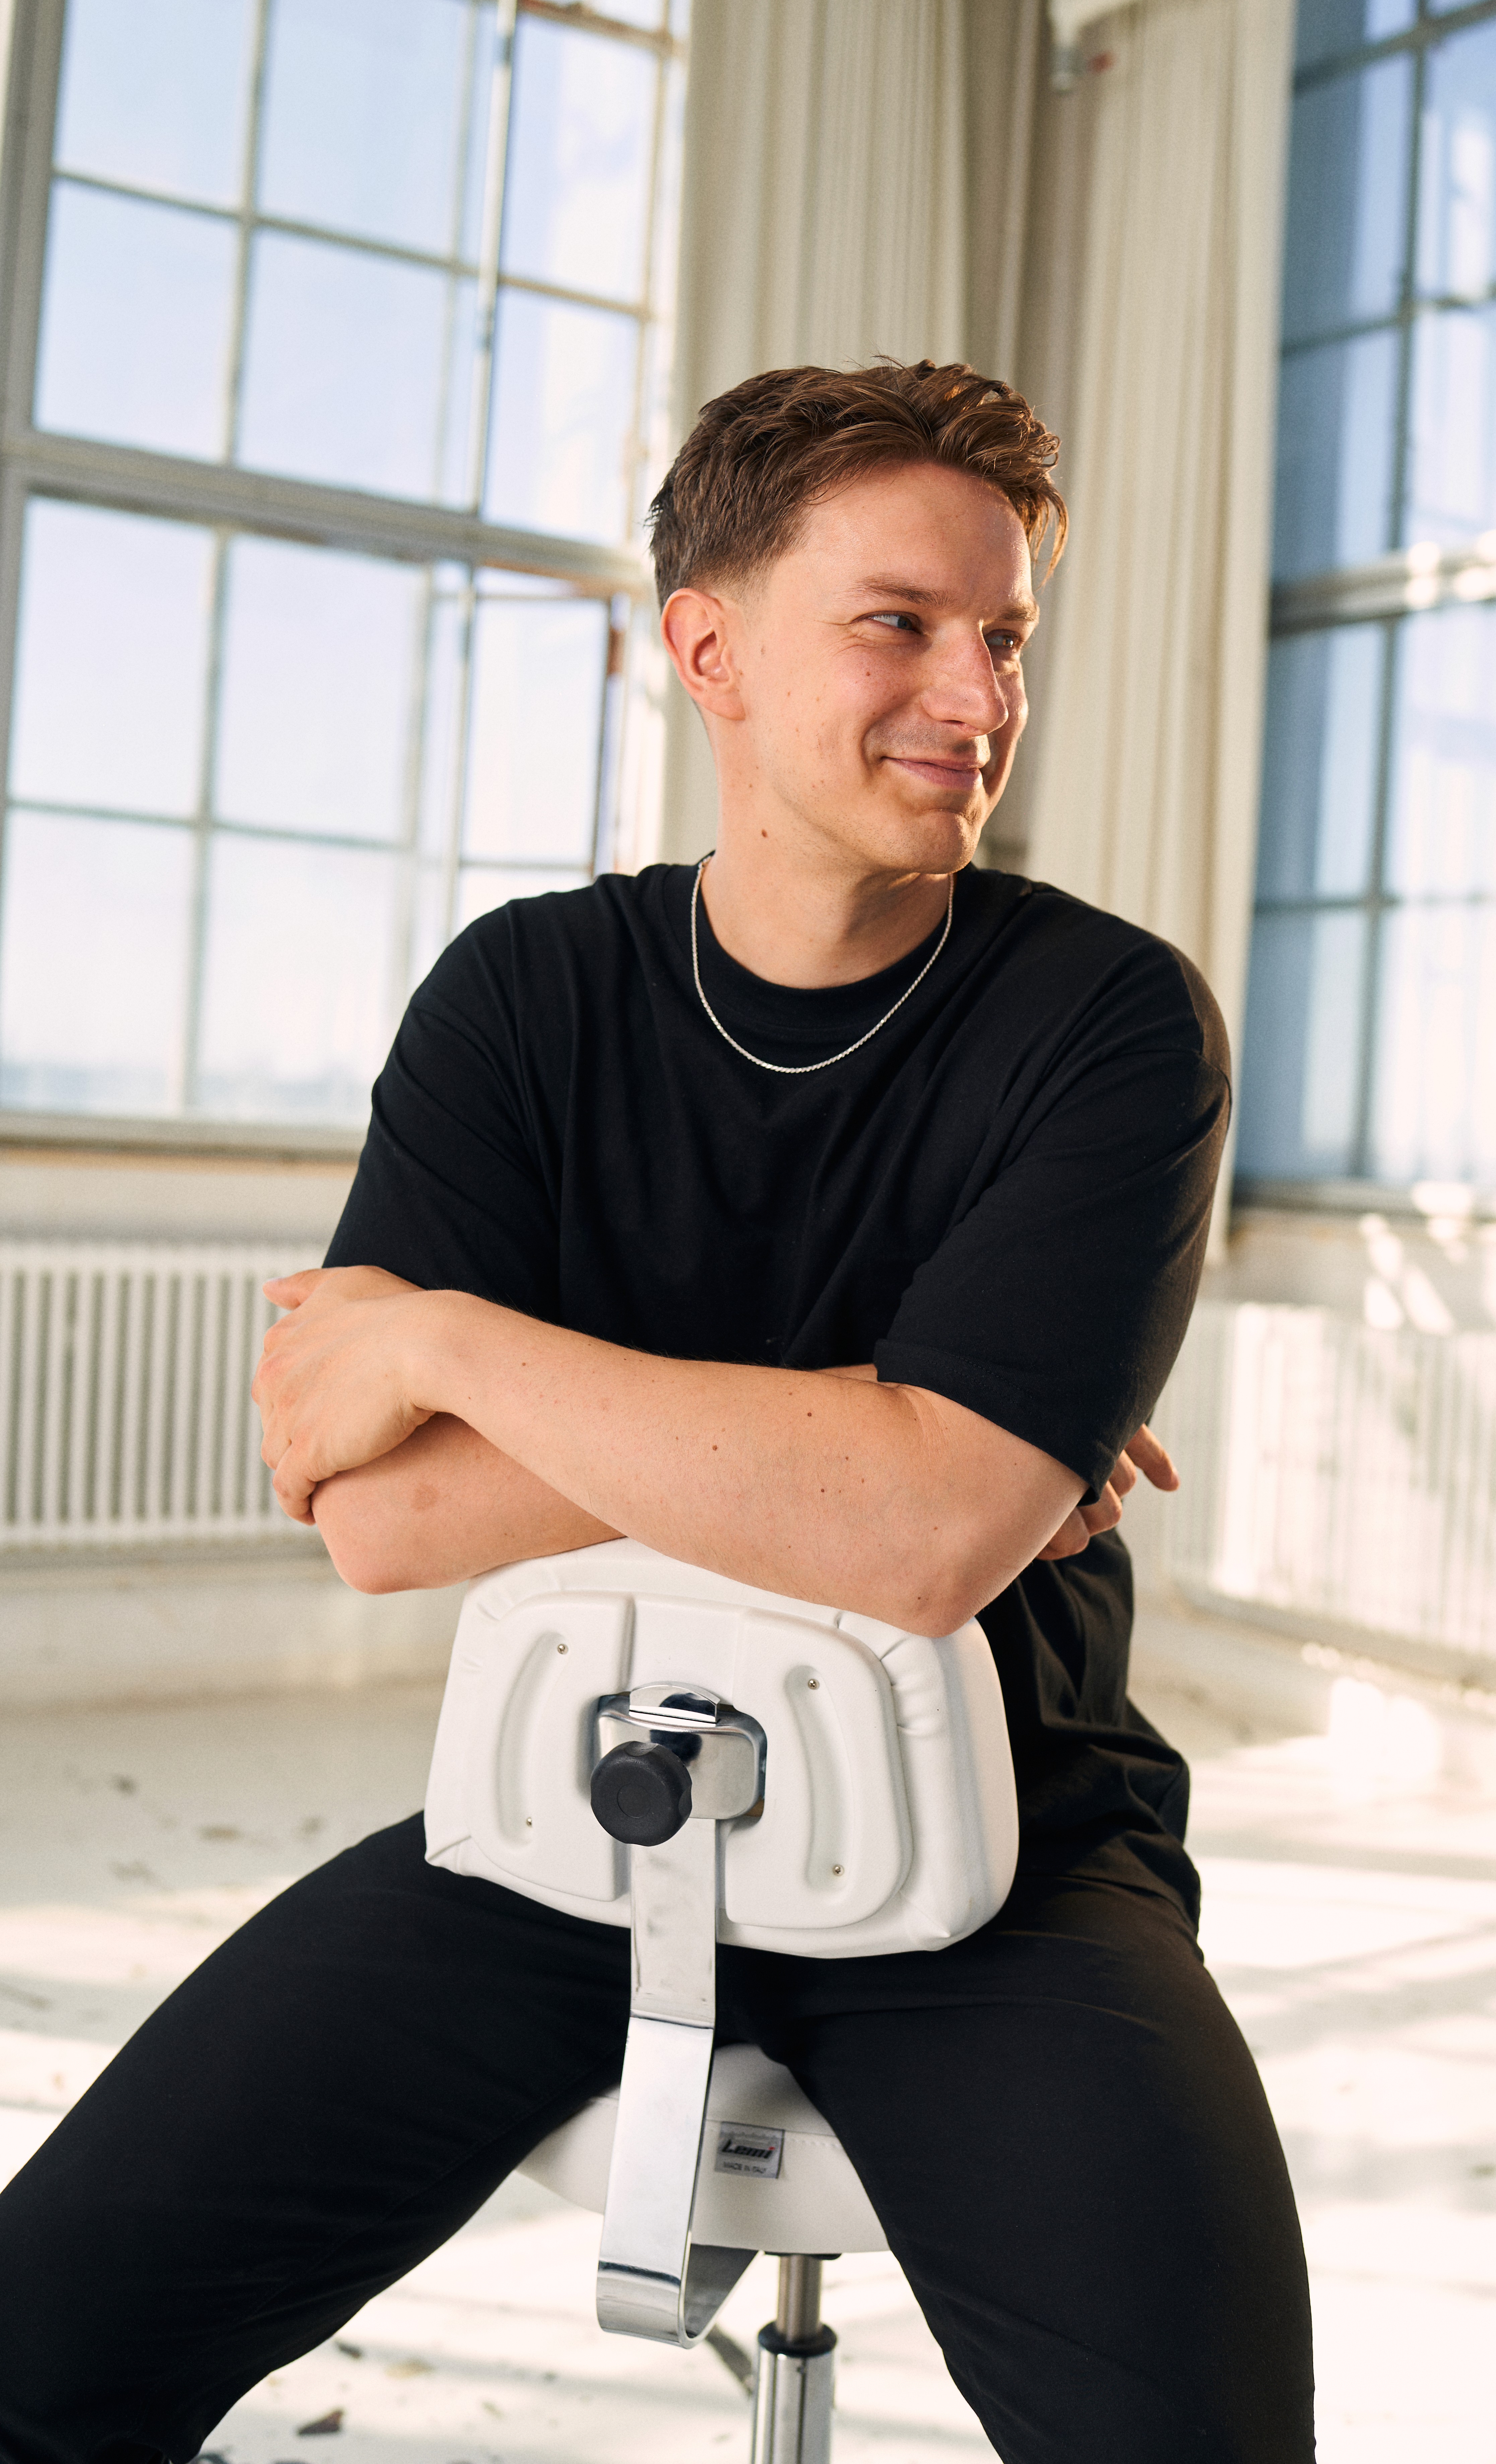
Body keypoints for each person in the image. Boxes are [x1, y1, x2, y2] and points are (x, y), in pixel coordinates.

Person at [0, 360, 1314, 2463]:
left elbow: (913, 1547)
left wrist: (445, 1342)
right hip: (557, 1816)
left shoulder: (1108, 1024)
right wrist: (893, 1430)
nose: (974, 694)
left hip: (1006, 1857)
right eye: (900, 623)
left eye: (1005, 639)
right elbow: (386, 1527)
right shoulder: (524, 999)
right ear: (706, 644)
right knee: (36, 2360)